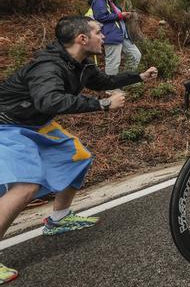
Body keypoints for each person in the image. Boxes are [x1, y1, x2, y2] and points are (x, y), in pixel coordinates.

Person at [0, 16, 158, 284]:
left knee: (79, 156)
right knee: (26, 185)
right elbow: (49, 101)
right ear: (82, 39)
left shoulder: (80, 63)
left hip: (36, 123)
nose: (104, 36)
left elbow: (102, 82)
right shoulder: (48, 67)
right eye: (99, 32)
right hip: (8, 124)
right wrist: (102, 106)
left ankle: (58, 218)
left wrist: (139, 77)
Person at [89, 0, 142, 92]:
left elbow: (115, 16)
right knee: (113, 62)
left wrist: (124, 15)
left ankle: (127, 81)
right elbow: (100, 17)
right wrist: (120, 15)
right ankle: (111, 89)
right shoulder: (99, 1)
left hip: (122, 36)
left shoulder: (111, 2)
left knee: (135, 55)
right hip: (111, 36)